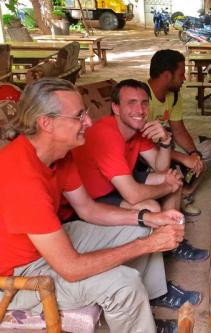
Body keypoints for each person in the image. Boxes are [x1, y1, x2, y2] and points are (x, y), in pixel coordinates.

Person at [0, 78, 190, 332]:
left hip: (45, 243)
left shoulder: (58, 154)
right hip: (16, 275)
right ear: (46, 123)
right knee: (124, 283)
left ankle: (145, 306)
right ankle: (132, 310)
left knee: (142, 228)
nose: (88, 122)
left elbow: (88, 209)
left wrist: (148, 219)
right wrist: (148, 244)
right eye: (79, 116)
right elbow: (71, 268)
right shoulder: (22, 179)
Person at [72, 79, 209, 264]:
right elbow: (133, 195)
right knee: (151, 206)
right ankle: (158, 250)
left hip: (114, 182)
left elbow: (160, 166)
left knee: (171, 176)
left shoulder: (137, 129)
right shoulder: (106, 134)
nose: (140, 110)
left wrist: (166, 140)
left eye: (144, 103)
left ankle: (171, 244)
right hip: (92, 196)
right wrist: (168, 187)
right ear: (116, 108)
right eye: (132, 103)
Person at [146, 49, 211, 217]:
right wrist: (184, 158)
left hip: (168, 146)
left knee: (207, 148)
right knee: (173, 167)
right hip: (148, 155)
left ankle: (185, 193)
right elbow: (146, 148)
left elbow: (179, 130)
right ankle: (170, 196)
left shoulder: (173, 95)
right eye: (181, 74)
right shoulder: (142, 98)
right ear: (167, 75)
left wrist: (193, 154)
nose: (184, 78)